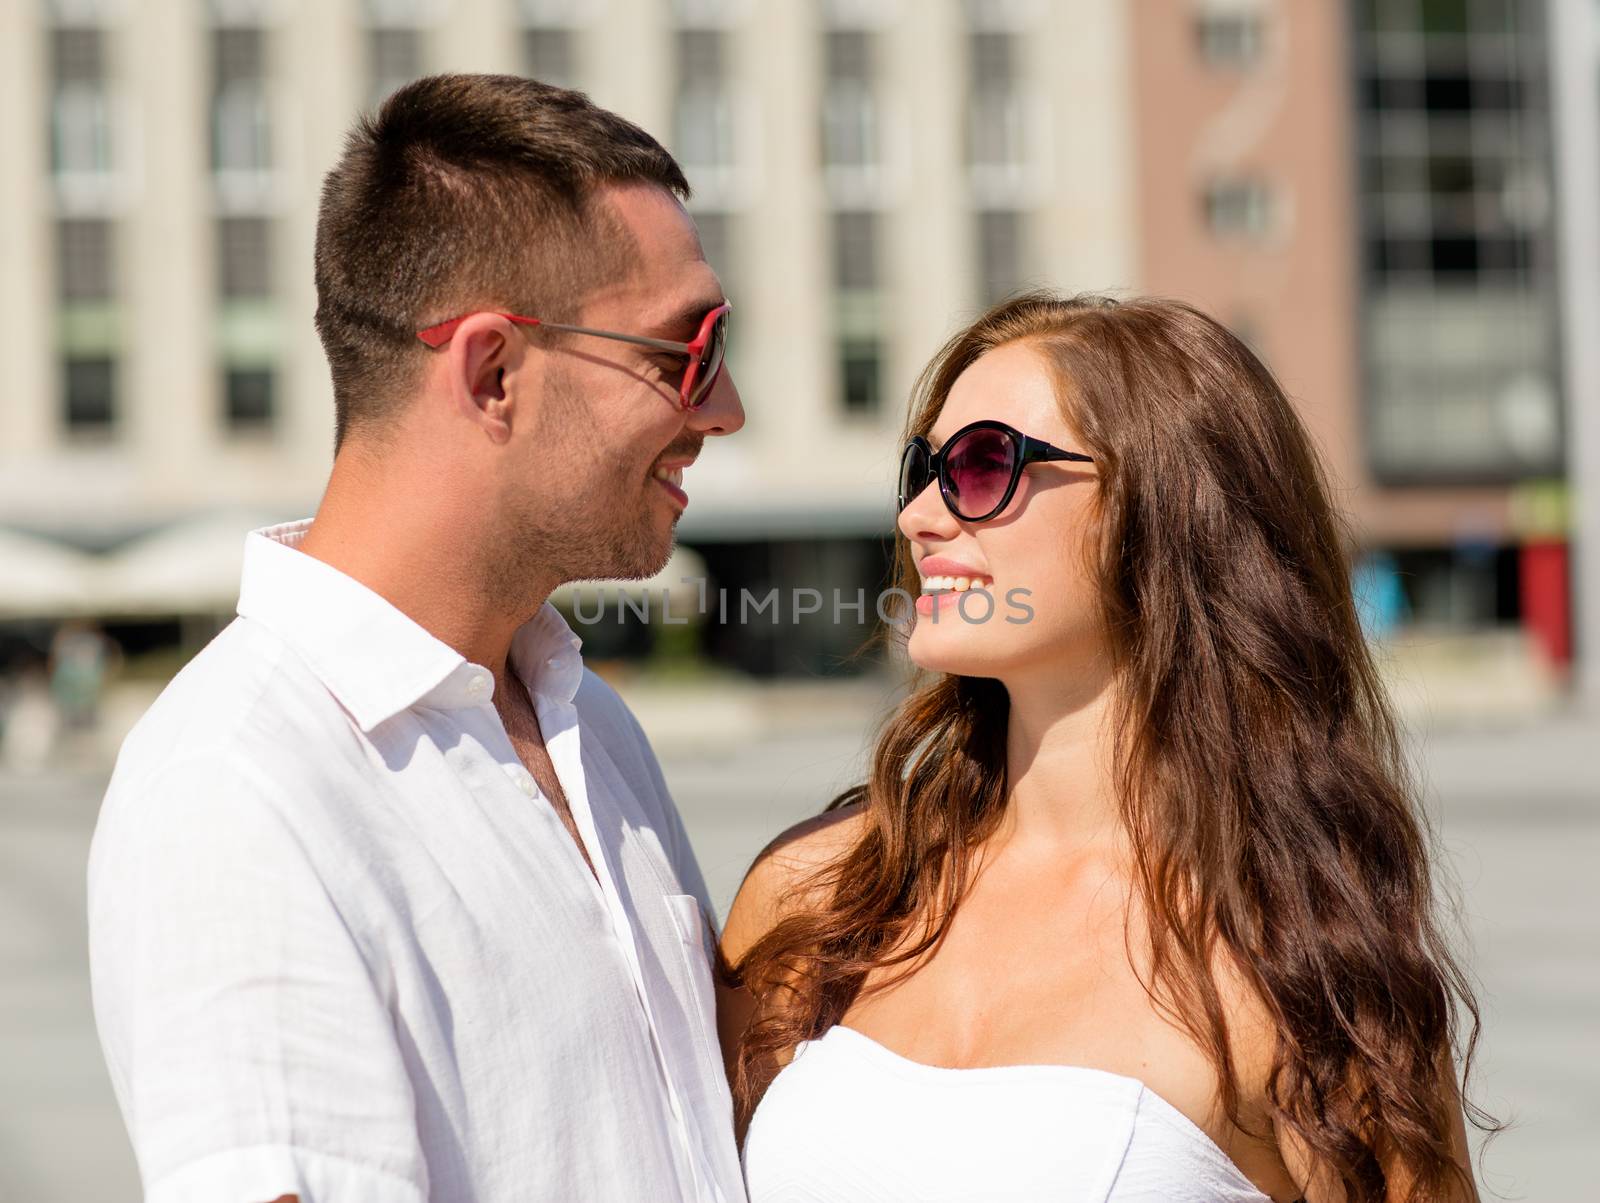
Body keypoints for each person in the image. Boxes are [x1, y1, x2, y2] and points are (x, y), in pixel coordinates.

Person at [89, 74, 746, 1203]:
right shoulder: (237, 789)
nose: (724, 406)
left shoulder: (588, 724)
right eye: (683, 351)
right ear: (493, 372)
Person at [721, 293, 1490, 1203]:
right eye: (922, 469)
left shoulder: (1294, 960)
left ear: (1164, 508)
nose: (919, 516)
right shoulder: (820, 892)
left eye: (980, 465)